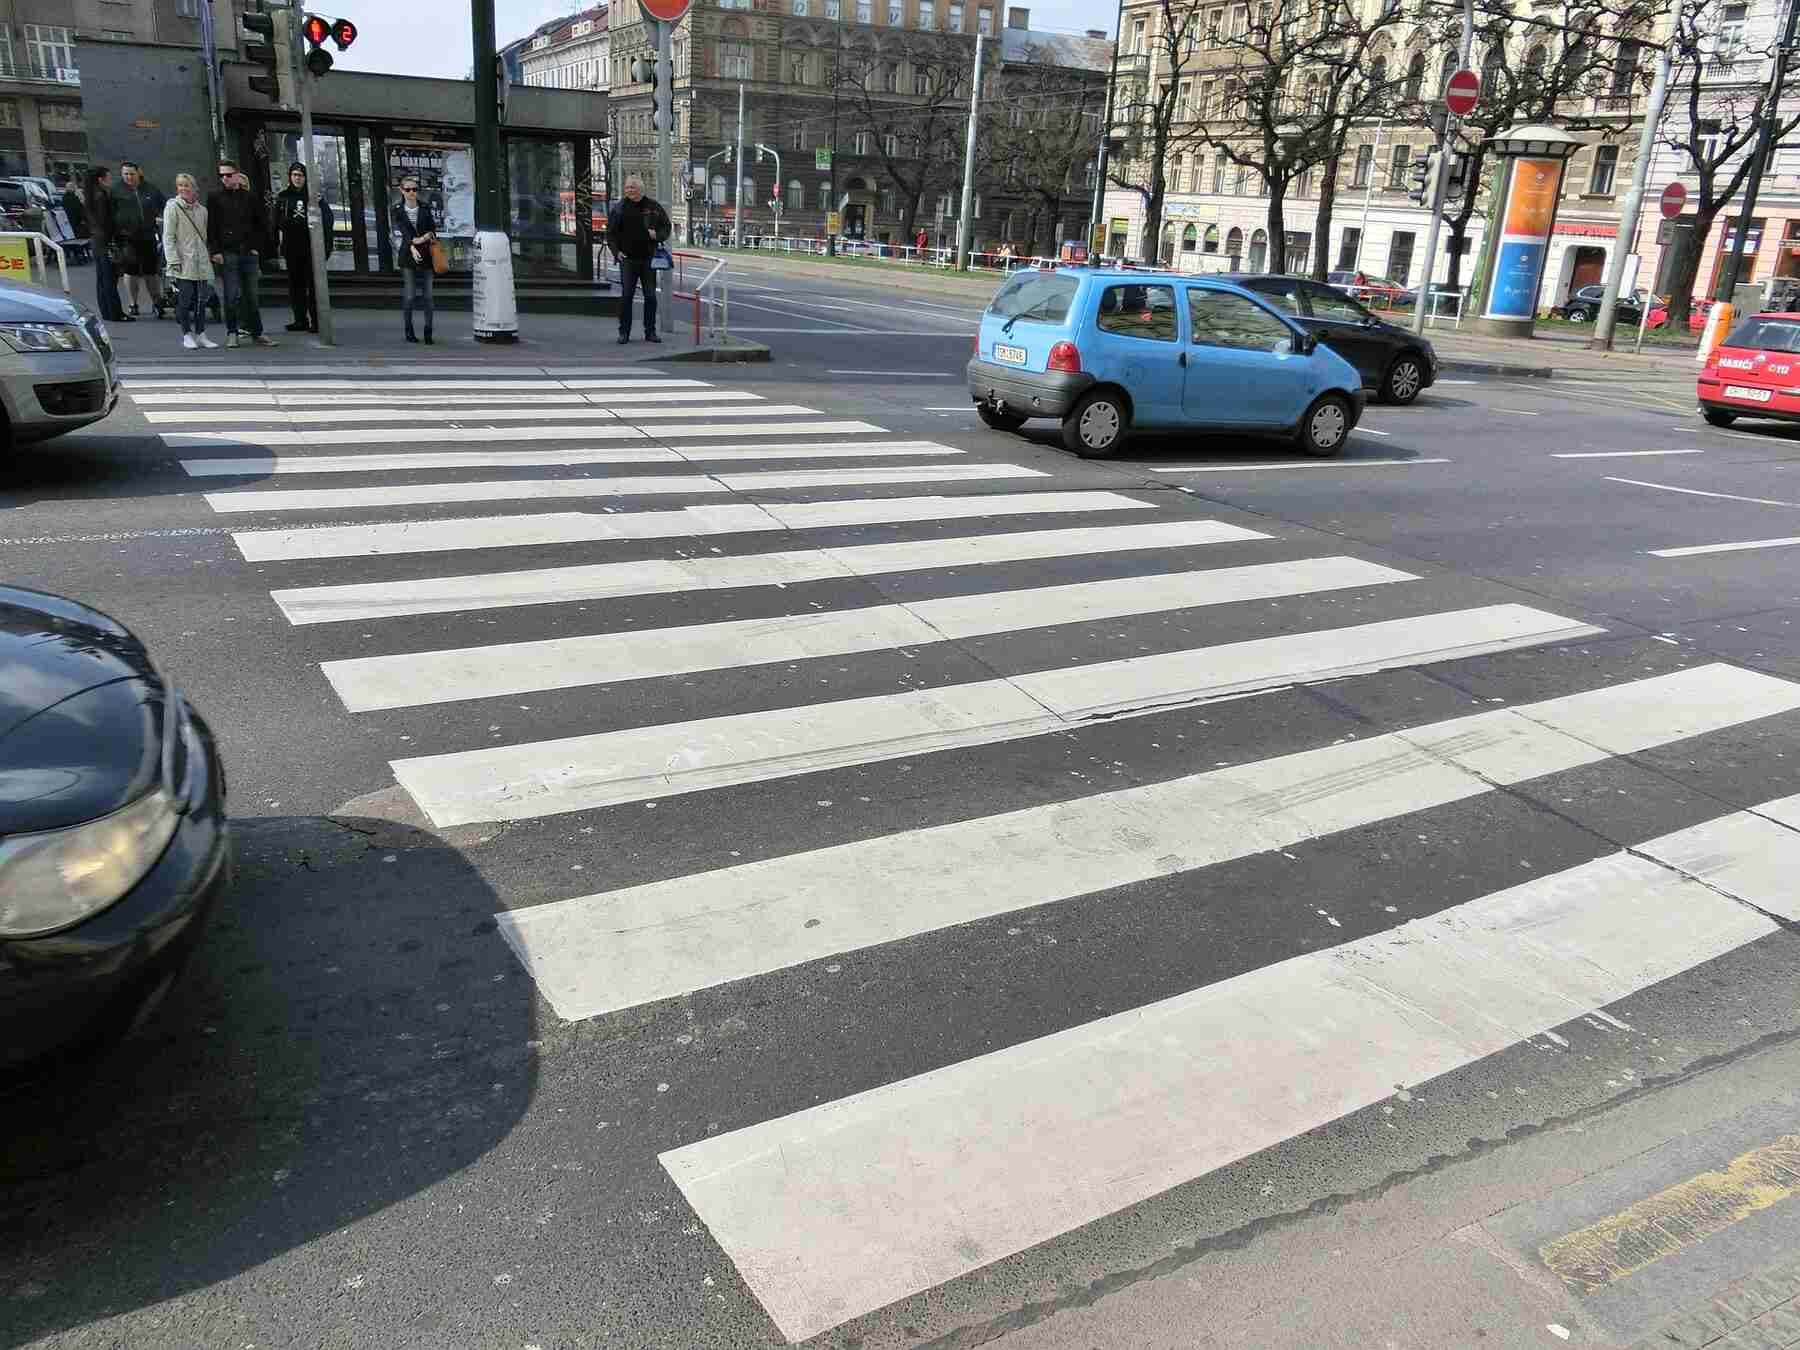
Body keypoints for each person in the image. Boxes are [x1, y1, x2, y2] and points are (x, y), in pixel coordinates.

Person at [206, 159, 277, 349]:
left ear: (237, 175)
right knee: (231, 294)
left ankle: (257, 332)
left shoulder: (250, 197)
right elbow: (211, 227)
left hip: (248, 251)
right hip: (228, 252)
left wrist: (256, 248)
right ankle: (232, 333)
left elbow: (261, 224)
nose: (225, 179)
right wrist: (215, 251)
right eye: (221, 176)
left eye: (228, 175)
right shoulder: (214, 198)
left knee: (251, 295)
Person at [605, 174, 670, 345]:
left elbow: (666, 226)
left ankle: (650, 332)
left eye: (632, 187)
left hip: (648, 259)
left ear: (641, 189)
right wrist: (616, 252)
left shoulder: (653, 207)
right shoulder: (619, 208)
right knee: (627, 296)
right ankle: (624, 333)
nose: (629, 190)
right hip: (627, 259)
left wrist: (658, 235)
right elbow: (610, 233)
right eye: (627, 187)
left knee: (650, 296)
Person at [273, 162, 333, 334]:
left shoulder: (313, 196)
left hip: (311, 247)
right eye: (294, 175)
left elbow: (328, 219)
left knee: (313, 286)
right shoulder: (283, 196)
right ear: (290, 176)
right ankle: (300, 320)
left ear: (305, 177)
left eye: (300, 175)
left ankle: (316, 321)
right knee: (295, 286)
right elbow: (275, 222)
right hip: (292, 247)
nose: (297, 178)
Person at [161, 173, 218, 351]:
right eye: (180, 185)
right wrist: (173, 260)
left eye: (187, 185)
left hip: (201, 260)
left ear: (195, 188)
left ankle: (201, 334)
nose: (183, 189)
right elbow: (168, 237)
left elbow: (205, 236)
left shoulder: (203, 211)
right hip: (183, 261)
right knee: (184, 300)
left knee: (202, 299)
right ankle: (186, 334)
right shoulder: (173, 207)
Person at [111, 162, 167, 319]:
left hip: (148, 235)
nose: (129, 177)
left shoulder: (150, 189)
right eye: (125, 174)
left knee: (151, 272)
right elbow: (110, 213)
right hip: (127, 237)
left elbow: (165, 206)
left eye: (131, 174)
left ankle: (157, 303)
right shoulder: (116, 190)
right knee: (131, 271)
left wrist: (160, 218)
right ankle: (133, 304)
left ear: (139, 173)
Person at [393, 176, 437, 344]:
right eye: (408, 189)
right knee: (410, 295)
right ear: (401, 191)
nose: (412, 193)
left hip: (426, 254)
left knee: (428, 296)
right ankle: (409, 330)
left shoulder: (425, 207)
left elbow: (433, 229)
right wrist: (412, 244)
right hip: (407, 255)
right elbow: (403, 231)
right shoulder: (397, 209)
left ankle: (428, 331)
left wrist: (424, 237)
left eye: (415, 189)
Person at [83, 167, 126, 322]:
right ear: (101, 180)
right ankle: (116, 313)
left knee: (102, 279)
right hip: (105, 240)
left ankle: (107, 312)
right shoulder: (101, 197)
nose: (111, 180)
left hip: (97, 241)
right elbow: (106, 222)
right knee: (110, 279)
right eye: (109, 177)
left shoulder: (90, 195)